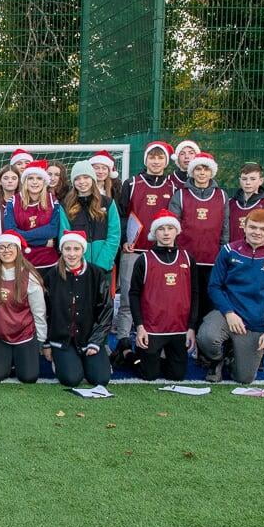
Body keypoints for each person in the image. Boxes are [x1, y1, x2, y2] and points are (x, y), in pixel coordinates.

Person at [199, 209, 264, 384]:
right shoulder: (229, 250)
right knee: (207, 337)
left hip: (254, 321)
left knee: (244, 378)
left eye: (263, 229)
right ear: (244, 227)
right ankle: (216, 360)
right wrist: (229, 313)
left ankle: (233, 356)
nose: (257, 232)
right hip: (227, 314)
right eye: (253, 227)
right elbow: (214, 287)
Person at [113, 141, 175, 363]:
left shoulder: (172, 185)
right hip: (134, 249)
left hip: (161, 253)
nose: (156, 161)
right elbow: (120, 214)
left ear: (166, 161)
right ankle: (122, 342)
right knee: (129, 298)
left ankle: (157, 342)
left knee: (157, 300)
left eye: (160, 158)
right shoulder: (132, 183)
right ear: (146, 159)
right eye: (152, 157)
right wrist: (123, 241)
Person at [129, 211, 198, 381]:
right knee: (149, 375)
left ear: (177, 231)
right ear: (154, 233)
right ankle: (127, 354)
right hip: (152, 329)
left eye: (170, 228)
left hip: (179, 328)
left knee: (177, 376)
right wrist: (139, 327)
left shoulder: (187, 258)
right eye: (161, 229)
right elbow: (134, 294)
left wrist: (191, 327)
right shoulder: (144, 259)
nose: (166, 233)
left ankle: (160, 357)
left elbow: (195, 293)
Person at [44, 230, 113, 388]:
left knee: (100, 379)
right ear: (61, 250)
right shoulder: (52, 276)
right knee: (71, 379)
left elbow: (106, 310)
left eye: (76, 249)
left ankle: (95, 360)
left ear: (83, 250)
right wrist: (46, 343)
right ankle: (62, 360)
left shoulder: (96, 274)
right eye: (67, 249)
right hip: (62, 339)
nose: (72, 254)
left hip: (89, 338)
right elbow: (45, 313)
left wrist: (96, 341)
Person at [169, 151, 225, 325]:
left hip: (212, 259)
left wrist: (223, 252)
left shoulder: (222, 195)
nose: (202, 173)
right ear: (192, 171)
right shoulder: (180, 194)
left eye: (206, 169)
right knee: (184, 300)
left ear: (212, 172)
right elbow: (172, 225)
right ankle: (182, 338)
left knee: (208, 301)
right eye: (198, 169)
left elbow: (225, 228)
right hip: (186, 258)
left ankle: (203, 343)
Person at [0, 231, 46, 383]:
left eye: (10, 246)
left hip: (24, 335)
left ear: (19, 249)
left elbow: (39, 312)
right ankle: (9, 361)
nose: (6, 250)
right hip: (0, 336)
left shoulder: (29, 276)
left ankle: (19, 359)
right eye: (1, 247)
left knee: (28, 377)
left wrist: (41, 340)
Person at [59, 160, 120, 272]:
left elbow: (114, 235)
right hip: (77, 267)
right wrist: (78, 263)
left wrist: (102, 263)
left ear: (92, 179)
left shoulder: (108, 203)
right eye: (77, 178)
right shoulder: (65, 205)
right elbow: (64, 237)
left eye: (86, 177)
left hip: (103, 266)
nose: (82, 182)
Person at [2, 160, 62, 271]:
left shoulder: (52, 200)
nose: (35, 182)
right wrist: (44, 242)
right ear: (25, 181)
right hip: (21, 261)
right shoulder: (13, 201)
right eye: (30, 178)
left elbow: (53, 230)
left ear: (44, 182)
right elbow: (10, 232)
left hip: (48, 261)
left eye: (39, 178)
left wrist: (22, 236)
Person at [222, 162, 264, 245]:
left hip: (260, 255)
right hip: (235, 254)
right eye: (244, 179)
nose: (248, 182)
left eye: (253, 179)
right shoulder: (230, 203)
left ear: (261, 181)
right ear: (240, 180)